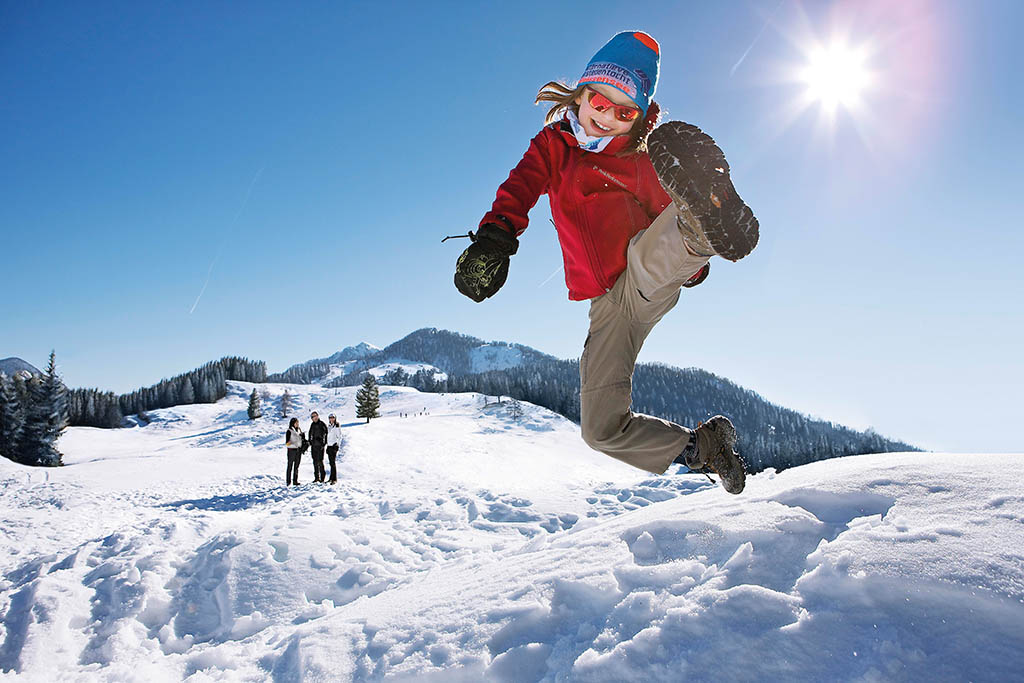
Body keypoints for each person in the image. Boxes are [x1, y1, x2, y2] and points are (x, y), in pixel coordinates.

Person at [453, 31, 759, 494]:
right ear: (580, 93)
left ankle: (705, 217)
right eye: (599, 100)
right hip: (605, 306)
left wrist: (693, 254)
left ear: (638, 119)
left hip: (642, 274)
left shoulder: (642, 157)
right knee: (600, 430)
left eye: (624, 112)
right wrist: (496, 236)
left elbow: (661, 213)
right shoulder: (554, 146)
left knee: (652, 256)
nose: (606, 116)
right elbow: (521, 186)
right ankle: (701, 449)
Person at [307, 411, 328, 483]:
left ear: (318, 416)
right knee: (315, 462)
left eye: (315, 416)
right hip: (314, 446)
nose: (314, 417)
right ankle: (316, 478)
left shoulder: (322, 424)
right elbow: (310, 434)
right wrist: (310, 442)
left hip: (320, 446)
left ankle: (322, 478)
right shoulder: (312, 425)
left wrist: (324, 443)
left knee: (320, 461)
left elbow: (326, 434)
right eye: (312, 417)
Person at [285, 417, 305, 486]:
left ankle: (295, 481)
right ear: (293, 423)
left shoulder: (299, 431)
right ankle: (288, 481)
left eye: (298, 422)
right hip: (291, 451)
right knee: (290, 466)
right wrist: (295, 443)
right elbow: (287, 443)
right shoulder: (289, 431)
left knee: (296, 467)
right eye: (296, 422)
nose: (297, 424)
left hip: (298, 451)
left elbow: (301, 441)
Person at [326, 413, 343, 484]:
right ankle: (331, 478)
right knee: (330, 463)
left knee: (333, 463)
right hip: (329, 446)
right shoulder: (329, 426)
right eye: (330, 418)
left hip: (334, 446)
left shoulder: (337, 426)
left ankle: (334, 479)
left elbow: (339, 436)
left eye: (333, 418)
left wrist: (337, 445)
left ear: (335, 418)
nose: (331, 419)